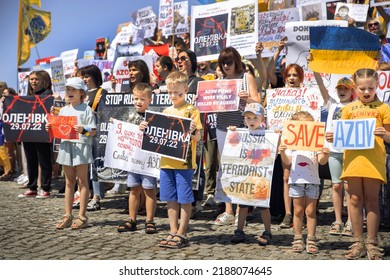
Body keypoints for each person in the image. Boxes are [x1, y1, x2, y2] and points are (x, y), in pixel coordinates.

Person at [326, 68, 390, 260]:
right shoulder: (347, 109)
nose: (366, 92)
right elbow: (342, 136)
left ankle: (372, 242)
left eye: (370, 87)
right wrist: (333, 136)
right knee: (354, 199)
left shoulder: (384, 109)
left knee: (371, 200)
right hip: (353, 160)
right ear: (356, 87)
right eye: (362, 88)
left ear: (377, 84)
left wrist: (384, 134)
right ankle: (357, 242)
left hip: (373, 160)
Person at [140, 71, 202, 249]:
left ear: (186, 89)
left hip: (184, 163)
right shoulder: (166, 111)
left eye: (178, 93)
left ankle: (182, 232)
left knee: (184, 198)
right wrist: (145, 127)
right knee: (170, 198)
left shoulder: (191, 110)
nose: (173, 96)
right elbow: (155, 135)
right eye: (170, 93)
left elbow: (198, 138)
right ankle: (173, 230)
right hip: (166, 162)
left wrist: (193, 131)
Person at [214, 46, 260, 225]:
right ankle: (228, 211)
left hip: (241, 127)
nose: (226, 66)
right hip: (222, 127)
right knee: (226, 169)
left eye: (229, 62)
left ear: (236, 62)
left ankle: (242, 211)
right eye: (223, 62)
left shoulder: (246, 78)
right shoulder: (219, 80)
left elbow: (258, 101)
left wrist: (246, 98)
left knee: (242, 169)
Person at [47, 77, 96, 229]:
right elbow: (59, 130)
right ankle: (67, 215)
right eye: (68, 89)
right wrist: (50, 128)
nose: (70, 92)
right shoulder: (63, 110)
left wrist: (83, 130)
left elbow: (93, 131)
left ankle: (82, 216)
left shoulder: (87, 109)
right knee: (69, 182)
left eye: (73, 89)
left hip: (81, 147)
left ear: (82, 92)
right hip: (66, 147)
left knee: (82, 182)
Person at [279, 111, 330, 254]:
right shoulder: (291, 143)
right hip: (296, 181)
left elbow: (321, 161)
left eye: (308, 124)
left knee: (310, 211)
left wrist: (326, 154)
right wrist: (282, 152)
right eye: (302, 124)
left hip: (313, 181)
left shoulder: (316, 142)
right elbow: (287, 162)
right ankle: (298, 238)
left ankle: (312, 239)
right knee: (298, 211)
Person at [229, 103, 273, 246]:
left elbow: (272, 153)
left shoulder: (268, 134)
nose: (251, 121)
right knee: (242, 204)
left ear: (262, 118)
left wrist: (276, 137)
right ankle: (239, 230)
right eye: (248, 118)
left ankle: (267, 231)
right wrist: (232, 132)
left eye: (255, 118)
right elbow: (233, 147)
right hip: (245, 175)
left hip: (261, 176)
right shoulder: (241, 133)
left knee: (263, 205)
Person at [117, 83, 157, 234]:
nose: (138, 102)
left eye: (142, 99)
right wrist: (116, 127)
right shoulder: (129, 115)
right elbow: (124, 134)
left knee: (149, 189)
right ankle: (132, 219)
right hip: (133, 160)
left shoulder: (153, 117)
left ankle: (150, 220)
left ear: (150, 100)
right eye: (136, 99)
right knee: (133, 189)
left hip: (148, 162)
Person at [175, 49, 205, 218]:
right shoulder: (175, 83)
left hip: (195, 130)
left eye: (183, 58)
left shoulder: (199, 82)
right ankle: (180, 200)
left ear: (192, 61)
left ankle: (194, 201)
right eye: (177, 59)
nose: (179, 61)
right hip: (178, 133)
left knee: (195, 165)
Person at [18, 70, 53, 199]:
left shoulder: (48, 94)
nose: (33, 81)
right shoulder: (25, 96)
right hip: (28, 133)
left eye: (36, 79)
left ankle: (45, 188)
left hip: (42, 133)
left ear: (42, 81)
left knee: (44, 161)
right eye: (31, 79)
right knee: (31, 160)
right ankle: (32, 187)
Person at [78, 64, 108, 211]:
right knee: (85, 165)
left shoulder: (101, 92)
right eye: (83, 76)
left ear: (94, 76)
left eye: (87, 76)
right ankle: (85, 194)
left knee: (96, 165)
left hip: (96, 134)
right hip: (82, 134)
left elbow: (106, 114)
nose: (84, 79)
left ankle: (97, 196)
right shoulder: (82, 93)